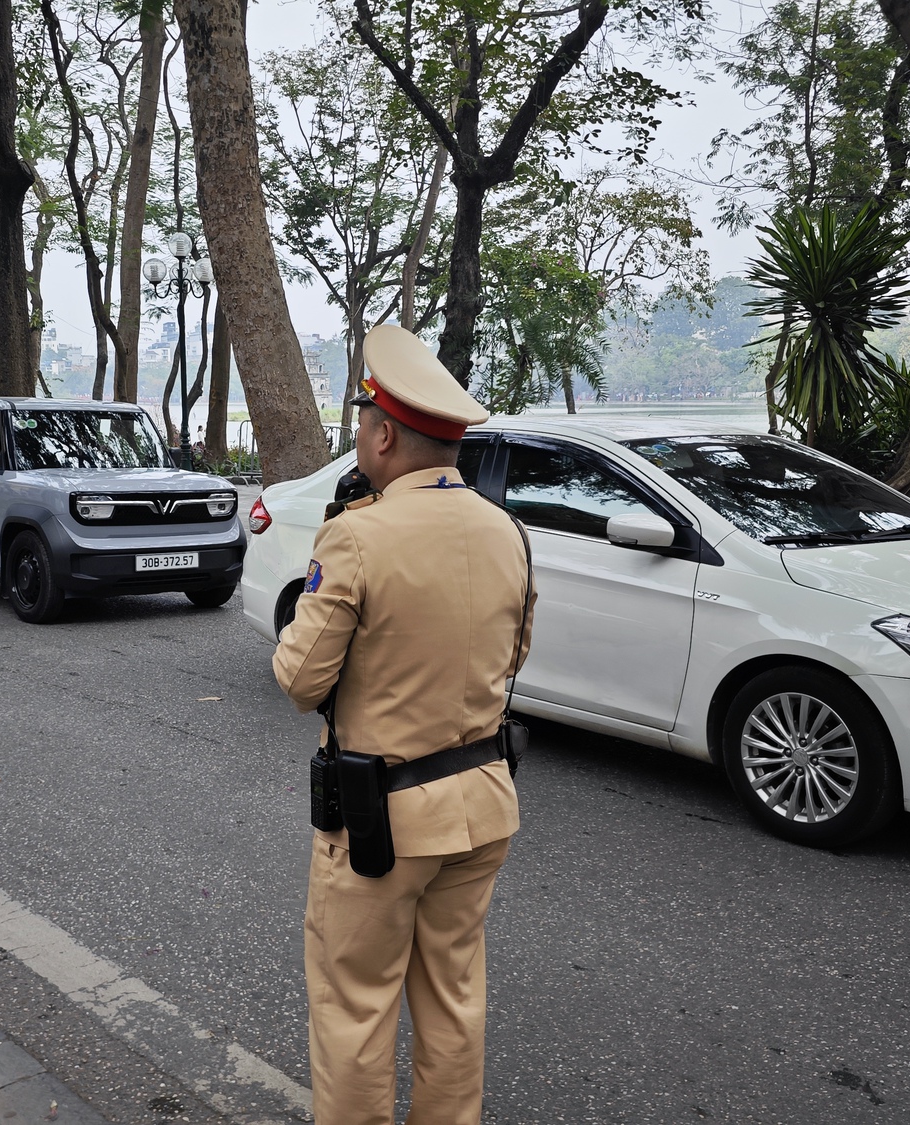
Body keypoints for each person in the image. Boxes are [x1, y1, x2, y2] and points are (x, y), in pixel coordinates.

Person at [272, 324, 535, 1125]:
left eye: (362, 423)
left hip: (382, 821)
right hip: (482, 803)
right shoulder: (507, 531)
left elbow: (299, 677)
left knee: (356, 1010)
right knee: (453, 998)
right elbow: (515, 652)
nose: (359, 437)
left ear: (383, 433)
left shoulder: (357, 534)